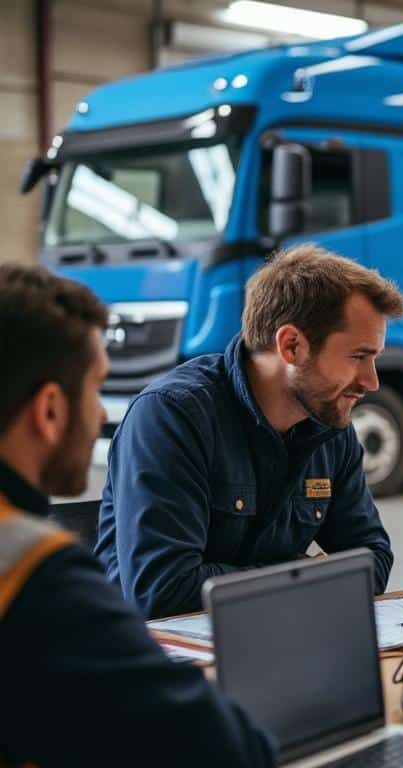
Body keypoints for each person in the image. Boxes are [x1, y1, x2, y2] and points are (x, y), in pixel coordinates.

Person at [0, 264, 274, 766]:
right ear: (50, 410)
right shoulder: (33, 575)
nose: (103, 414)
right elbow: (229, 751)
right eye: (96, 387)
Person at [98, 244, 401, 618]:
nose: (371, 382)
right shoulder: (172, 416)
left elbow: (373, 559)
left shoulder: (329, 423)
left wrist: (284, 579)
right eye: (358, 356)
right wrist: (303, 571)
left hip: (276, 642)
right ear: (291, 346)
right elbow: (162, 591)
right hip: (159, 663)